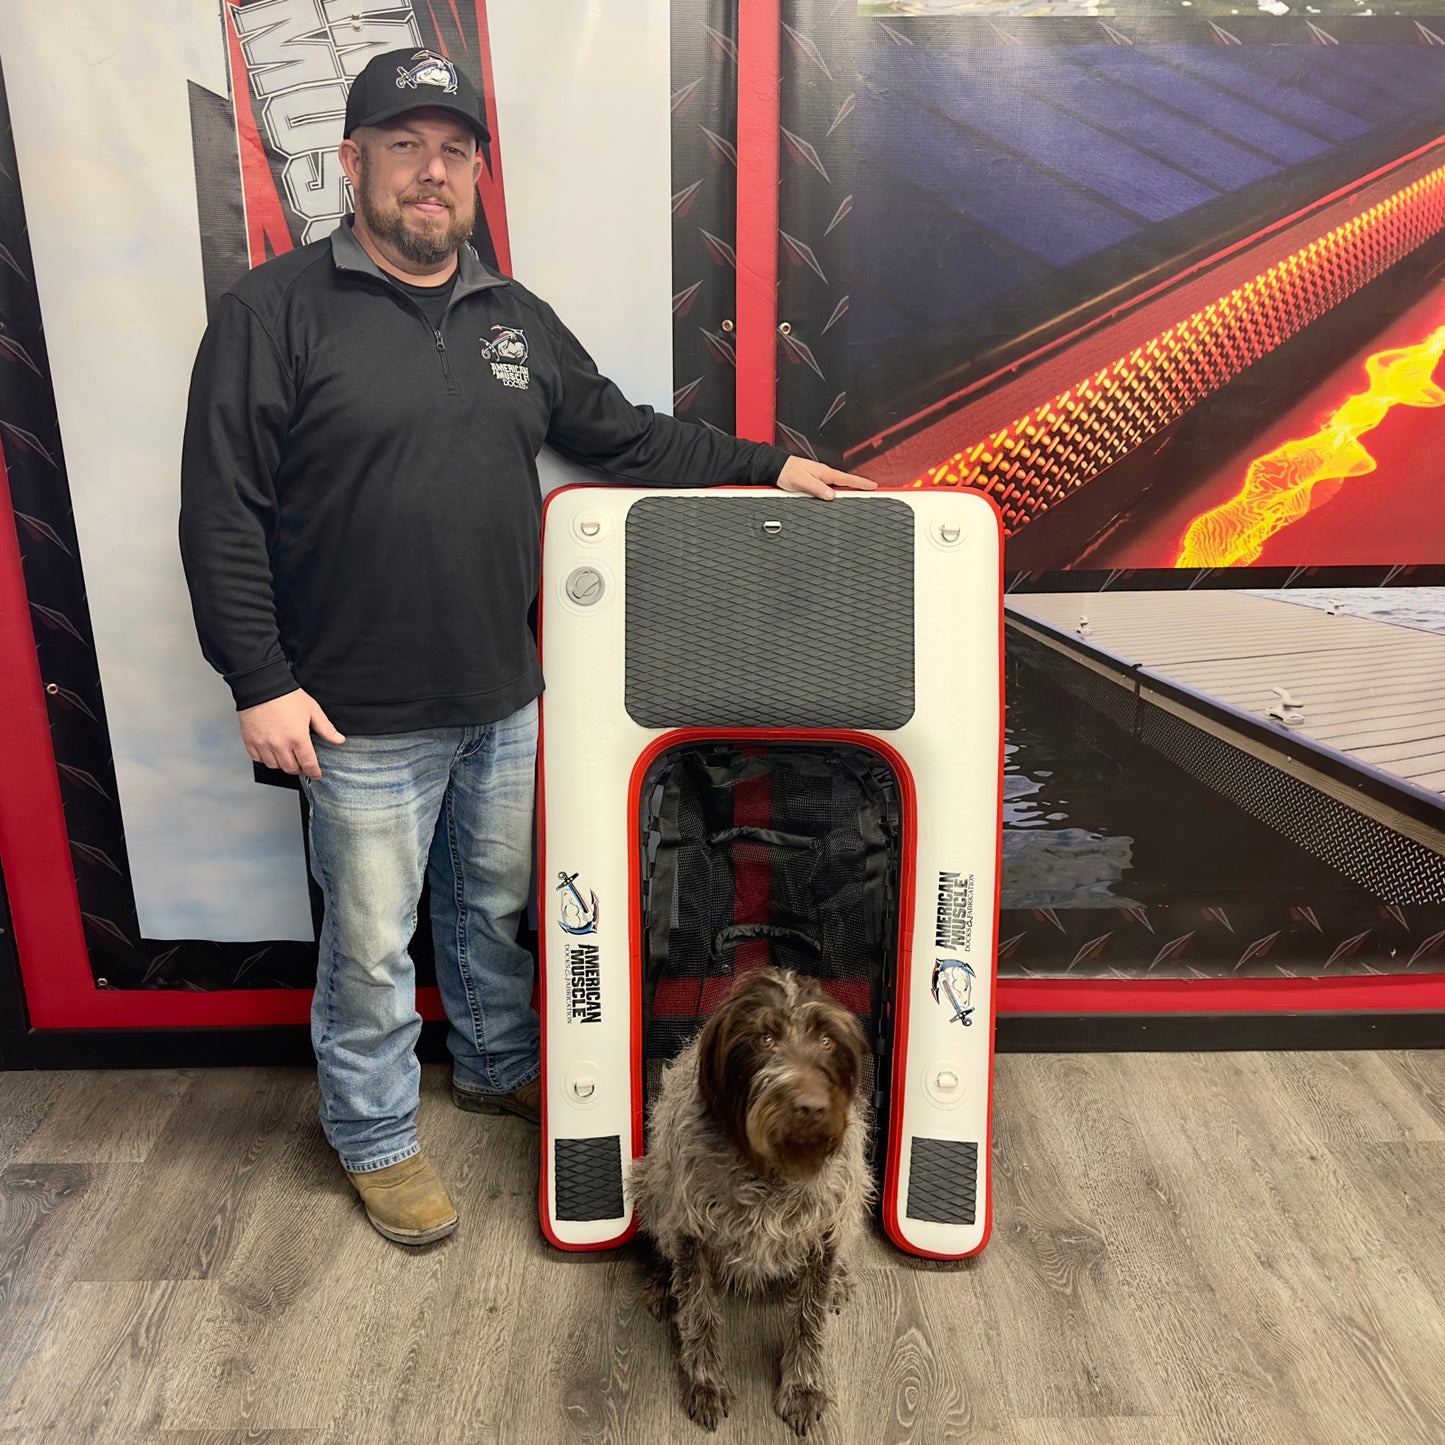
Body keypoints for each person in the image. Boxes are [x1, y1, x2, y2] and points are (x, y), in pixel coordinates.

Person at [179, 47, 874, 1246]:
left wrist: (764, 464)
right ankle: (374, 1133)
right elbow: (219, 508)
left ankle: (496, 1060)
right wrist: (261, 680)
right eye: (403, 147)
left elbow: (620, 434)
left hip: (503, 695)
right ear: (352, 165)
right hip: (350, 715)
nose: (430, 173)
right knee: (369, 949)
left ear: (474, 174)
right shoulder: (273, 312)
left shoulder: (512, 317)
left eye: (452, 150)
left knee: (490, 908)